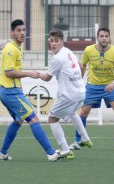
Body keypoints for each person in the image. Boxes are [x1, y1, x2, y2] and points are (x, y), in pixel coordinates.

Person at [0, 19, 61, 162]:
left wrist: (20, 89)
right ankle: (50, 153)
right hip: (9, 91)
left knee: (19, 121)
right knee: (34, 119)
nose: (22, 33)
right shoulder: (11, 49)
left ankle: (2, 153)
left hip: (12, 91)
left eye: (24, 30)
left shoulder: (17, 47)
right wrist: (29, 73)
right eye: (19, 30)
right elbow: (9, 72)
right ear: (12, 32)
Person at [69, 27, 114, 151]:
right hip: (92, 87)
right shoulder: (88, 50)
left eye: (106, 36)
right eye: (101, 36)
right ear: (97, 37)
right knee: (83, 113)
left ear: (109, 38)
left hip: (109, 87)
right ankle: (77, 141)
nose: (104, 38)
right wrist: (79, 82)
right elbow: (83, 65)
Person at [39, 29, 93, 159]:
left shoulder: (56, 58)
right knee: (72, 113)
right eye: (51, 41)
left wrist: (35, 74)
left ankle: (65, 149)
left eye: (56, 41)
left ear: (62, 42)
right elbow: (81, 65)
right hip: (80, 92)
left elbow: (47, 78)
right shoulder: (68, 51)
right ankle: (85, 139)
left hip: (68, 95)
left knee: (52, 119)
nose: (53, 44)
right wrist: (77, 81)